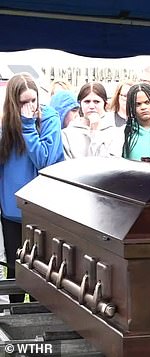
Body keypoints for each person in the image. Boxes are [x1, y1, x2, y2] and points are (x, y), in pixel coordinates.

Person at [0, 73, 64, 302]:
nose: (29, 107)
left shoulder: (48, 119)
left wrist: (28, 127)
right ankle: (14, 326)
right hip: (11, 211)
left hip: (41, 211)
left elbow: (45, 161)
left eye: (33, 100)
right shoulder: (5, 124)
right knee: (14, 269)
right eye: (23, 102)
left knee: (42, 271)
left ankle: (41, 322)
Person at [62, 82, 124, 158]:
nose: (91, 106)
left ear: (105, 104)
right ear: (80, 104)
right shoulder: (67, 134)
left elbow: (110, 164)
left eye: (96, 102)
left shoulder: (115, 133)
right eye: (87, 102)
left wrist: (95, 132)